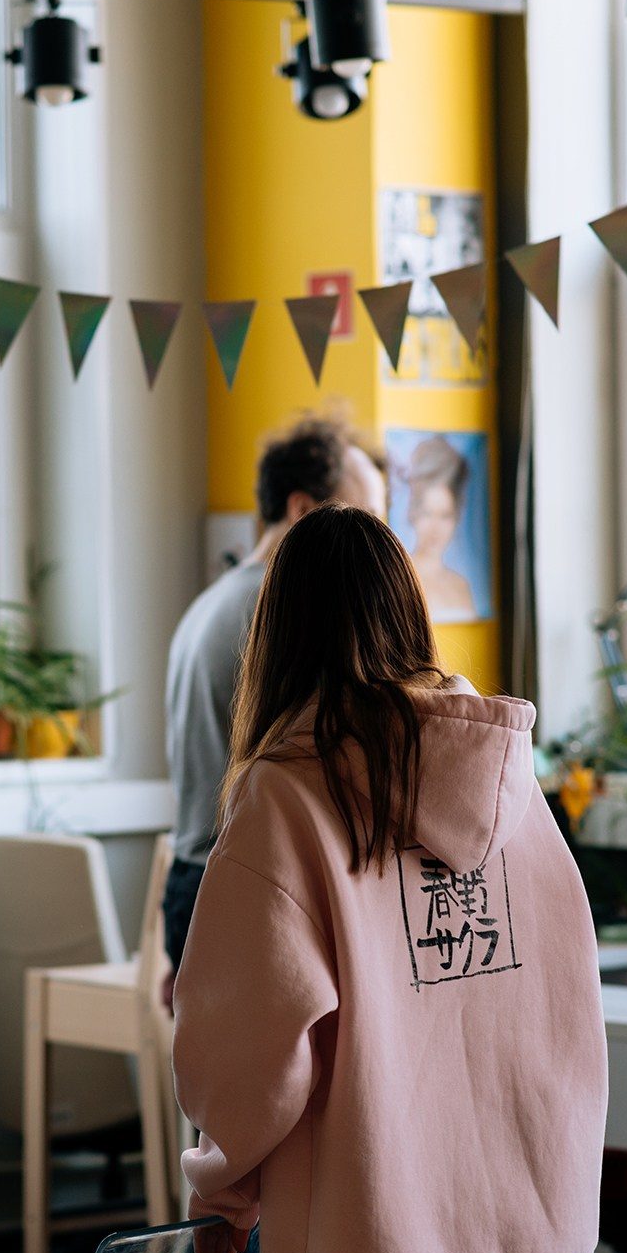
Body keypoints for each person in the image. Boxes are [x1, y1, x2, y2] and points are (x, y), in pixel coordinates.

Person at [172, 505, 607, 1253]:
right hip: (542, 1245)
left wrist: (222, 1187)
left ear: (278, 634)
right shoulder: (510, 783)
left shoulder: (285, 797)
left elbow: (249, 1048)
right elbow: (566, 999)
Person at [161, 416, 385, 975]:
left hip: (196, 875)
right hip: (251, 884)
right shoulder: (280, 613)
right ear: (305, 510)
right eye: (364, 523)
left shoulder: (210, 603)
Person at [402, 434, 478, 622]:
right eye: (428, 514)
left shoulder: (461, 586)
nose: (436, 528)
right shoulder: (402, 582)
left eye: (445, 516)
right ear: (413, 514)